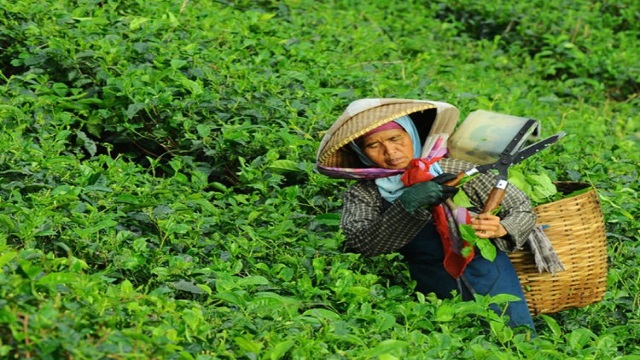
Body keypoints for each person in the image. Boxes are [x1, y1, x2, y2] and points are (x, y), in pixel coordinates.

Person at [339, 114, 537, 332]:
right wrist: (407, 204)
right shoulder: (365, 193)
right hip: (431, 286)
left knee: (515, 339)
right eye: (374, 145)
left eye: (395, 139)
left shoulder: (452, 167)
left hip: (492, 276)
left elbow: (519, 206)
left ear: (412, 136)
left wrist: (502, 227)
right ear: (362, 152)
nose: (389, 151)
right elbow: (361, 243)